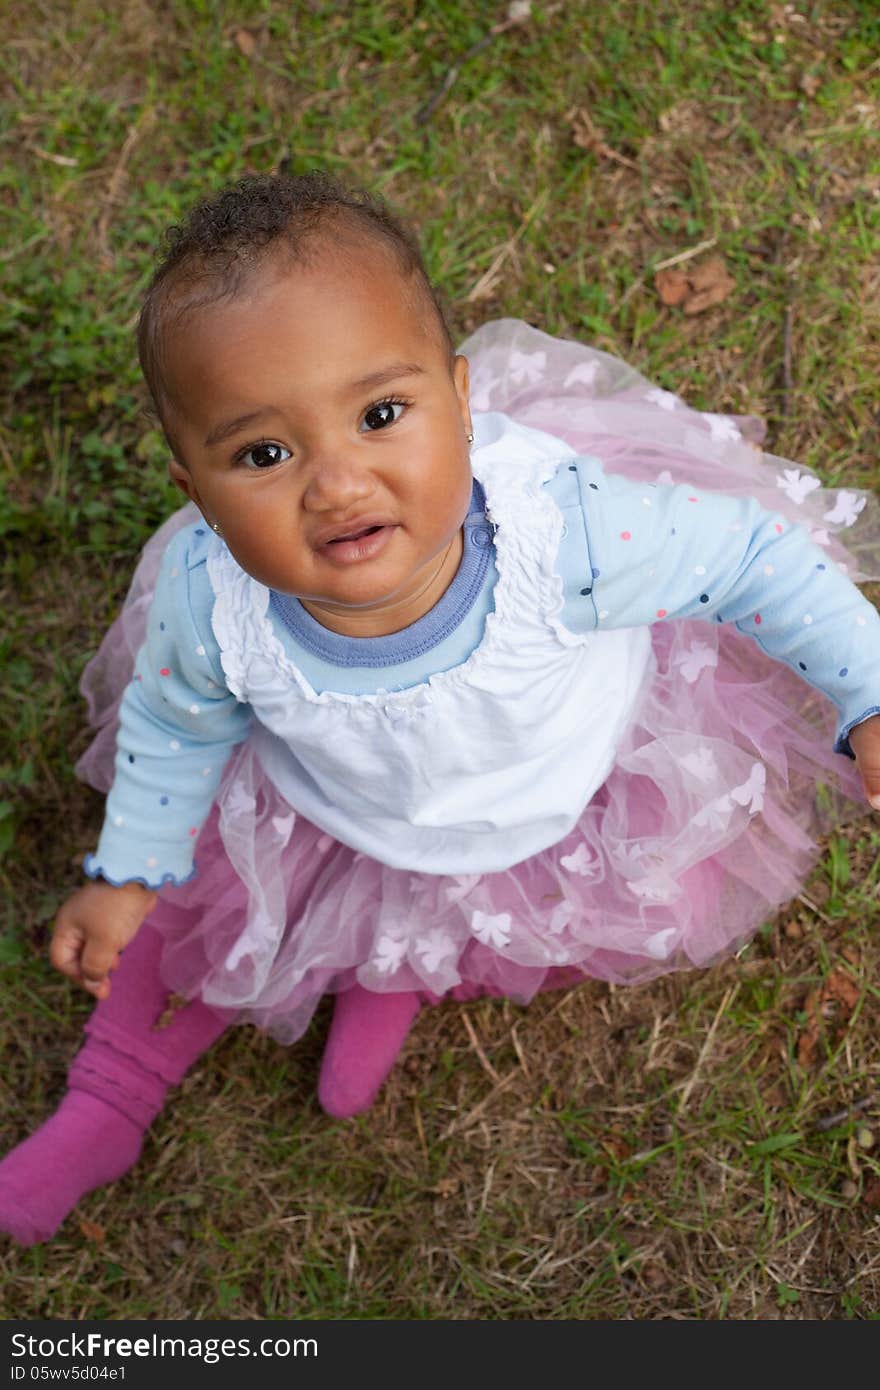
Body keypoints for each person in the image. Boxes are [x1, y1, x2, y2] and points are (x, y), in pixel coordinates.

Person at [2, 171, 879, 1247]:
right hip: (330, 806)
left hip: (532, 799)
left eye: (381, 415)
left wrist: (865, 689)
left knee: (474, 913)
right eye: (263, 454)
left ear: (460, 403)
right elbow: (177, 727)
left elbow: (753, 557)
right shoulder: (211, 600)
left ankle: (398, 977)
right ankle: (109, 1098)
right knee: (201, 918)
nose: (336, 481)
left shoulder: (570, 539)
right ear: (195, 488)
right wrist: (130, 870)